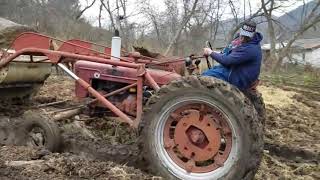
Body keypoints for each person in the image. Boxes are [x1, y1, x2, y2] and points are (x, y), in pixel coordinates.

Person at [202, 20, 263, 90]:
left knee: (205, 76)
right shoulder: (243, 41)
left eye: (247, 36)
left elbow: (226, 60)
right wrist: (214, 52)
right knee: (212, 70)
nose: (243, 38)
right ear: (241, 31)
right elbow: (229, 52)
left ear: (253, 34)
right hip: (236, 69)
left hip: (239, 77)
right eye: (243, 35)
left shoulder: (250, 48)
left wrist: (210, 52)